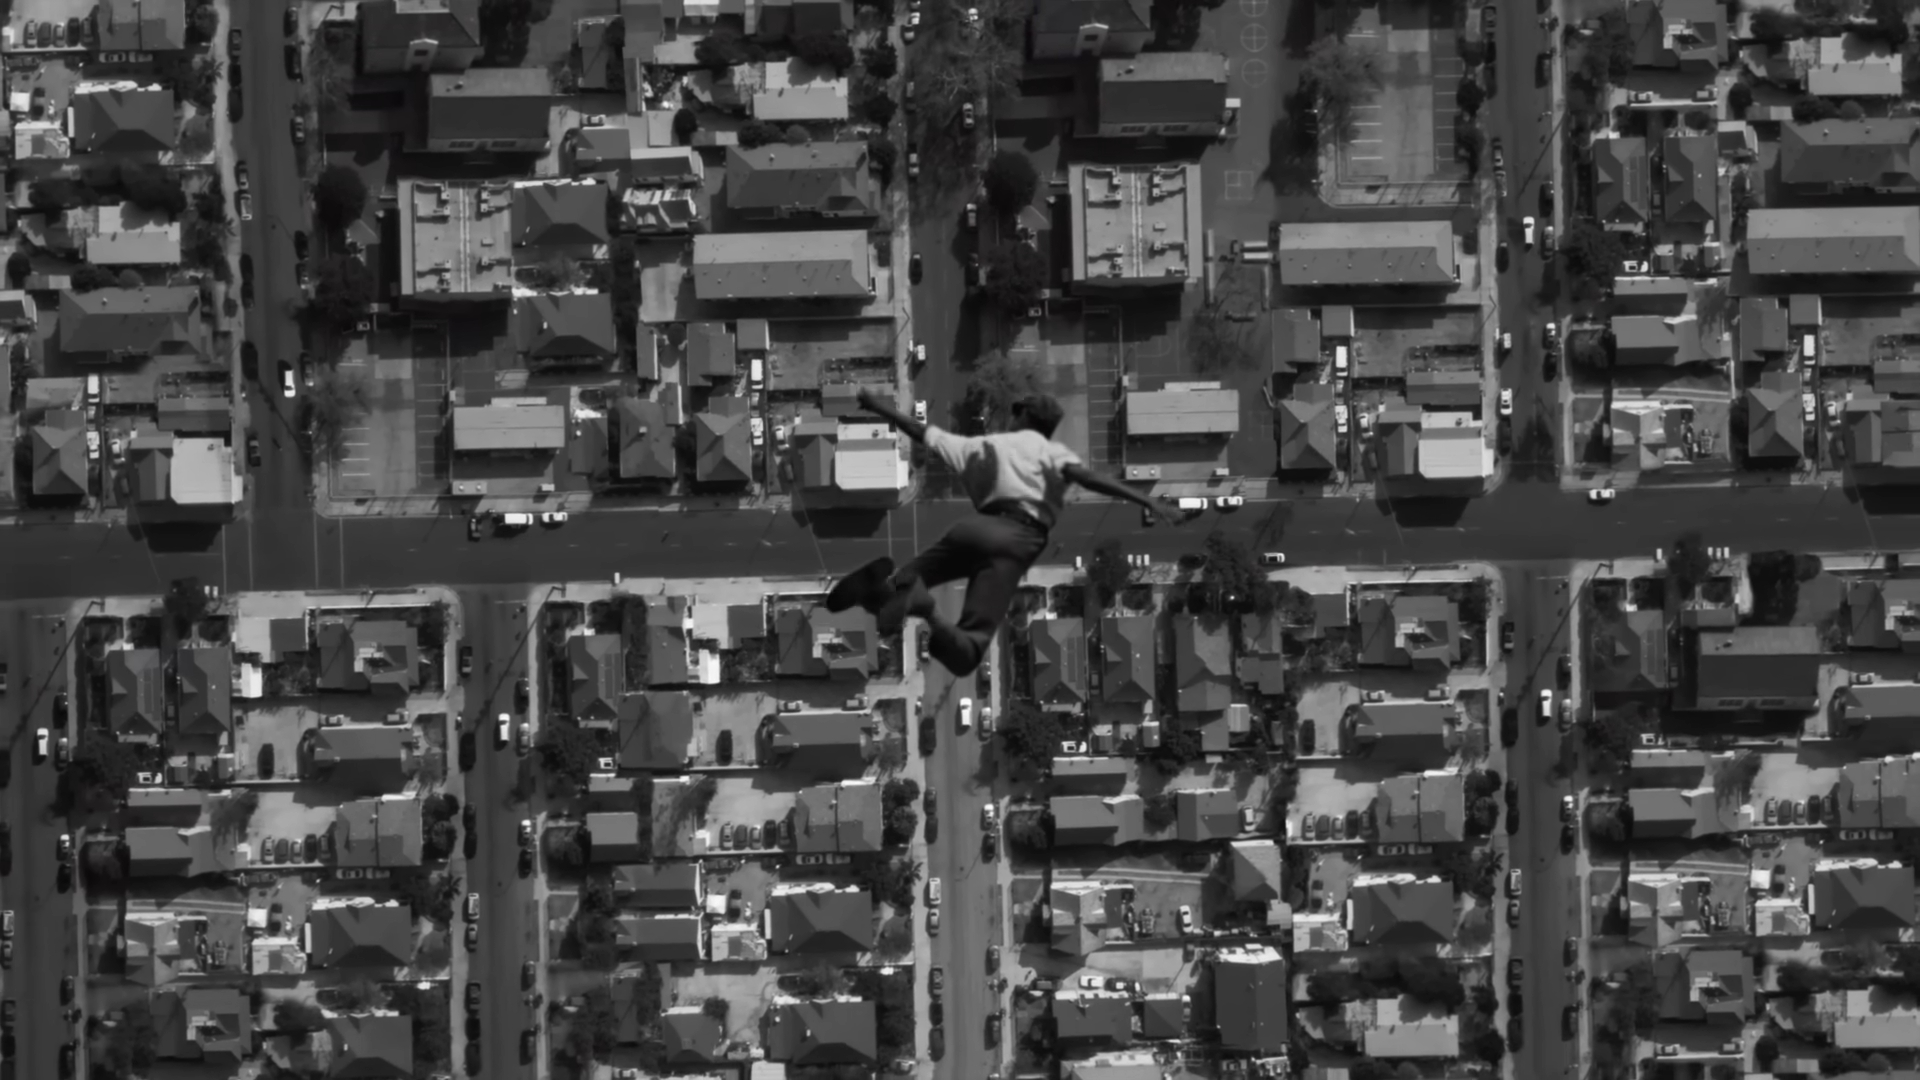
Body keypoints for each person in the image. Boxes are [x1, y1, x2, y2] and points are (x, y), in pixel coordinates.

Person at [826, 387, 1189, 676]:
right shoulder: (1049, 453)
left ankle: (876, 590)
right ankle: (927, 609)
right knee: (967, 653)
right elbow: (1089, 478)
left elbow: (921, 432)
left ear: (1024, 418)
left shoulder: (983, 446)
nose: (1011, 417)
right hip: (1016, 538)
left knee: (899, 587)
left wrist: (877, 407)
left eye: (1016, 412)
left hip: (971, 530)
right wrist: (1148, 501)